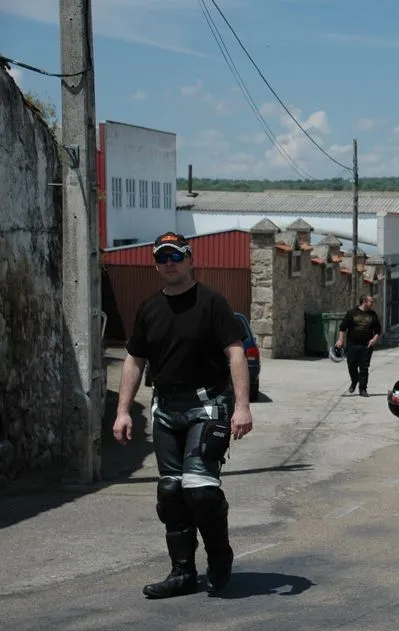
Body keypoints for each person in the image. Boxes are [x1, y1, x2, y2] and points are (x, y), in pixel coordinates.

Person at [112, 232, 253, 598]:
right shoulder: (149, 308)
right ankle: (182, 573)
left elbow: (236, 352)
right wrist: (123, 411)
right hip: (165, 408)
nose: (169, 263)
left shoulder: (212, 302)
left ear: (191, 260)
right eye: (162, 257)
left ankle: (219, 557)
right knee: (172, 492)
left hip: (207, 406)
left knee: (201, 491)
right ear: (156, 264)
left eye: (176, 256)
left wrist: (242, 406)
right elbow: (134, 360)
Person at [335, 295, 382, 396]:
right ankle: (354, 380)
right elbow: (342, 328)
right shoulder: (352, 313)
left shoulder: (372, 314)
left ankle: (363, 389)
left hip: (367, 345)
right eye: (371, 302)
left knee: (364, 367)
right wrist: (340, 339)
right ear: (364, 301)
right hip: (352, 344)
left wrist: (374, 339)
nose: (373, 304)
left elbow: (378, 330)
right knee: (351, 365)